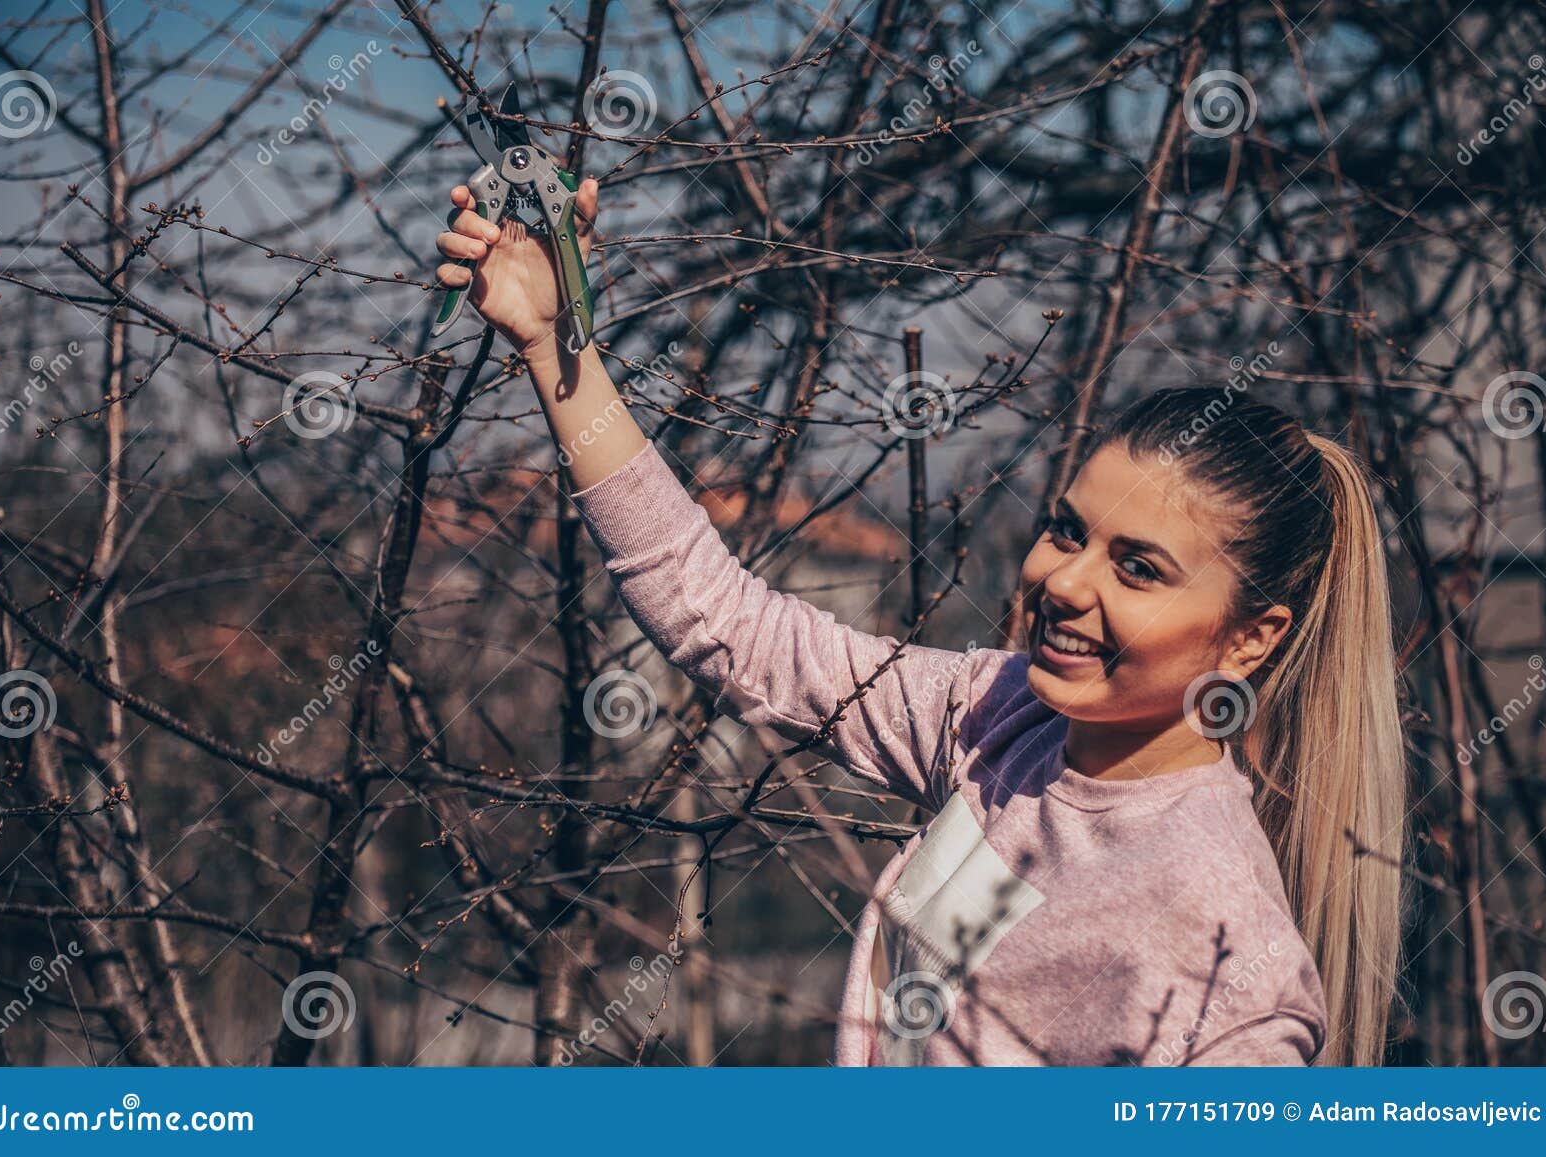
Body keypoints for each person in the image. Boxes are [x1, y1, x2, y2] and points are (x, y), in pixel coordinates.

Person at [434, 176, 1406, 1067]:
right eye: (1066, 530)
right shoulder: (1004, 718)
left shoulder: (1230, 959)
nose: (1065, 582)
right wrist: (555, 345)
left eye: (1138, 568)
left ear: (1252, 636)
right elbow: (721, 616)